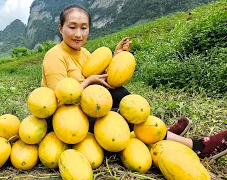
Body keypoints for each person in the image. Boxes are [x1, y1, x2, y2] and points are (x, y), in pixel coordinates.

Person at [40, 4, 227, 159]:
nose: (78, 34)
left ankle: (160, 132)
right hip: (65, 121)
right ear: (60, 28)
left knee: (120, 95)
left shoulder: (85, 53)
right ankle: (196, 147)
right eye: (72, 27)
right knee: (121, 115)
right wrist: (88, 81)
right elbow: (59, 99)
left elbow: (103, 78)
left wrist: (116, 56)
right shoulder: (55, 56)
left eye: (84, 27)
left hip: (86, 107)